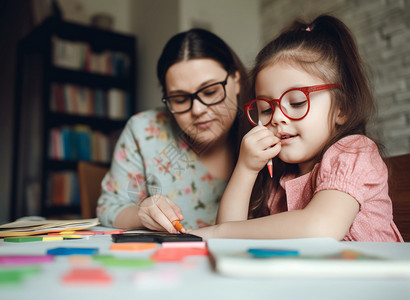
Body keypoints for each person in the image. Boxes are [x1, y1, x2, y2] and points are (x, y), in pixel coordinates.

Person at [190, 15, 403, 242]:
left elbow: (321, 227)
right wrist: (246, 168)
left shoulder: (353, 151)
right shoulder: (280, 179)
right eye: (266, 108)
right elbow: (231, 238)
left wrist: (216, 232)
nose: (278, 117)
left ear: (342, 108)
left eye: (297, 102)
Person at [97, 28, 250, 233]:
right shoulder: (144, 131)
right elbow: (108, 207)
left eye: (211, 91)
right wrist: (141, 213)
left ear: (237, 81)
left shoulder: (268, 127)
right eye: (180, 99)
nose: (197, 110)